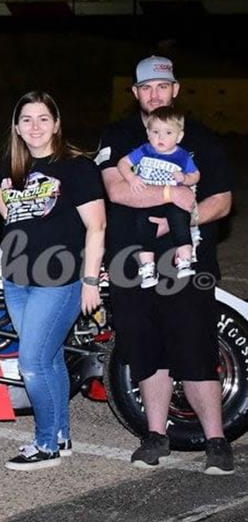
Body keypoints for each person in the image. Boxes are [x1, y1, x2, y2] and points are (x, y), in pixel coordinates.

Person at [97, 55, 234, 475]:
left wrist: (183, 217)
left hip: (188, 262)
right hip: (131, 263)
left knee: (196, 348)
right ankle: (155, 437)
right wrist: (169, 197)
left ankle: (216, 440)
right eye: (146, 88)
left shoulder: (203, 140)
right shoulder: (119, 136)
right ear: (135, 93)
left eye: (162, 87)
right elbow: (117, 190)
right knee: (144, 351)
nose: (154, 94)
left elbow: (222, 200)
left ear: (175, 89)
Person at [0, 91, 106, 471]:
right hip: (18, 279)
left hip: (60, 280)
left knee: (32, 363)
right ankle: (60, 435)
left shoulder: (76, 168)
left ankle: (44, 444)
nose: (34, 127)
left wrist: (89, 281)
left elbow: (97, 225)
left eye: (42, 118)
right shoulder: (8, 164)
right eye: (26, 119)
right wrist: (17, 217)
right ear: (17, 127)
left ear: (56, 123)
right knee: (49, 358)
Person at [115, 105, 201, 287]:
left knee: (179, 220)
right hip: (148, 199)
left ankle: (185, 259)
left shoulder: (182, 156)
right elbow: (123, 163)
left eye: (168, 133)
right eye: (155, 132)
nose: (160, 138)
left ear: (179, 136)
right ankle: (147, 267)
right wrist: (131, 178)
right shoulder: (145, 150)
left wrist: (185, 178)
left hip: (172, 201)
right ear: (148, 133)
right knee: (142, 225)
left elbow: (196, 175)